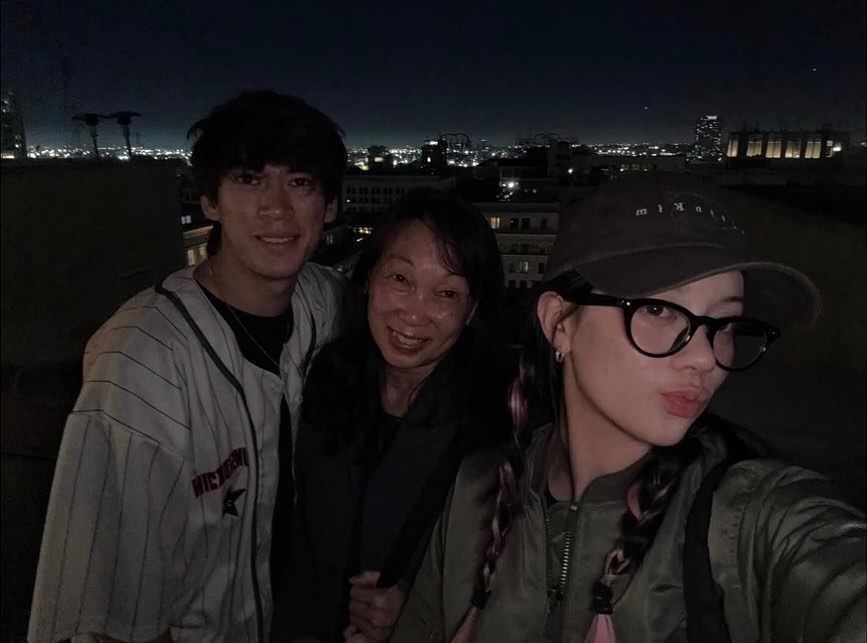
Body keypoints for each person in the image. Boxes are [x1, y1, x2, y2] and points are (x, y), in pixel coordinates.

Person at [392, 172, 867, 642]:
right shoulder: (478, 489)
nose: (706, 357)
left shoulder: (748, 518)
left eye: (726, 323)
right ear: (560, 322)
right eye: (658, 309)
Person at [28, 90, 348, 643]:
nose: (277, 207)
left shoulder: (327, 301)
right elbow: (110, 610)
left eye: (300, 182)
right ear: (210, 202)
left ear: (331, 206)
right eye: (248, 179)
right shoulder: (141, 361)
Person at [278, 189, 511, 643]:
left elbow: (515, 582)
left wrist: (421, 611)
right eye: (401, 278)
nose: (414, 312)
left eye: (446, 292)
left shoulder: (496, 428)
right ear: (369, 278)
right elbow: (300, 535)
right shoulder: (327, 381)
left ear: (472, 310)